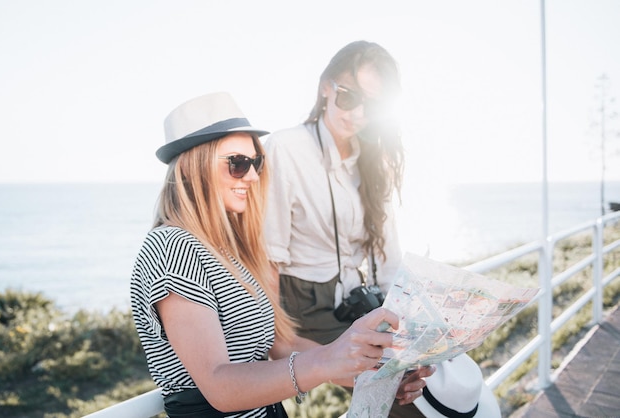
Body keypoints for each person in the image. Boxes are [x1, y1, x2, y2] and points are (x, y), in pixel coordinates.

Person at [130, 91, 420, 418]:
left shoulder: (232, 254)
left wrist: (378, 372)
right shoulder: (172, 246)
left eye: (256, 162)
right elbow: (219, 386)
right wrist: (330, 357)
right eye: (238, 163)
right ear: (191, 169)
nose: (253, 176)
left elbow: (283, 347)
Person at [263, 40, 434, 417]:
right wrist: (279, 340)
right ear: (326, 87)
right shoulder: (285, 149)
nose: (357, 113)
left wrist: (409, 335)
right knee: (395, 390)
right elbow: (267, 257)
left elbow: (389, 260)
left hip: (354, 300)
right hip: (301, 305)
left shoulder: (373, 162)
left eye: (370, 105)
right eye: (348, 96)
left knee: (417, 379)